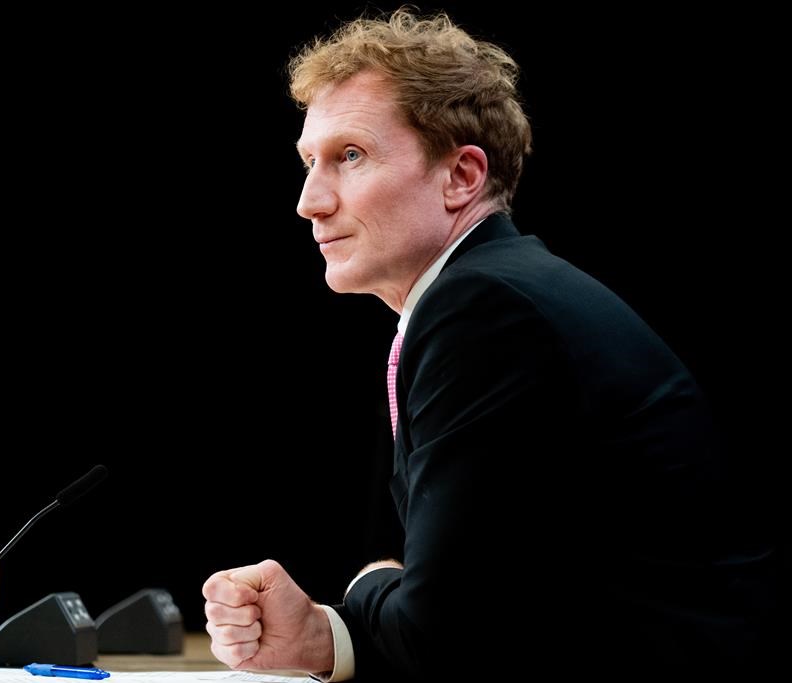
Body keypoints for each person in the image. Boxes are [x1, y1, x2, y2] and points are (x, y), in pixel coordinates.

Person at [202, 9, 775, 678]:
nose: (309, 201)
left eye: (349, 156)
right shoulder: (497, 293)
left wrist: (366, 586)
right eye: (308, 162)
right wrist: (325, 634)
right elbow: (488, 617)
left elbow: (443, 637)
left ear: (462, 176)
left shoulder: (486, 312)